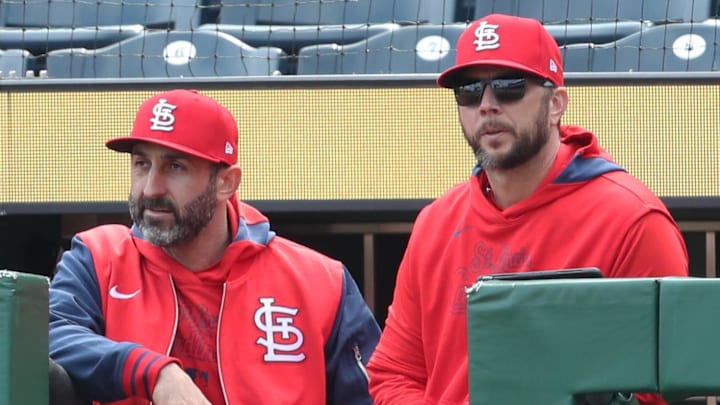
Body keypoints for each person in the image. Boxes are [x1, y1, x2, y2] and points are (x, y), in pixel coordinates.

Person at [366, 13, 689, 405]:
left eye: (509, 87)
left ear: (556, 104)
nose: (486, 105)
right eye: (469, 91)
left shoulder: (633, 220)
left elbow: (655, 395)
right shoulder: (435, 222)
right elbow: (393, 374)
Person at [49, 89, 381, 405]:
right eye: (141, 164)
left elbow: (371, 394)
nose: (150, 188)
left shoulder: (321, 280)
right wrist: (154, 372)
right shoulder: (97, 256)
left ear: (225, 183)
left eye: (175, 167)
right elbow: (45, 338)